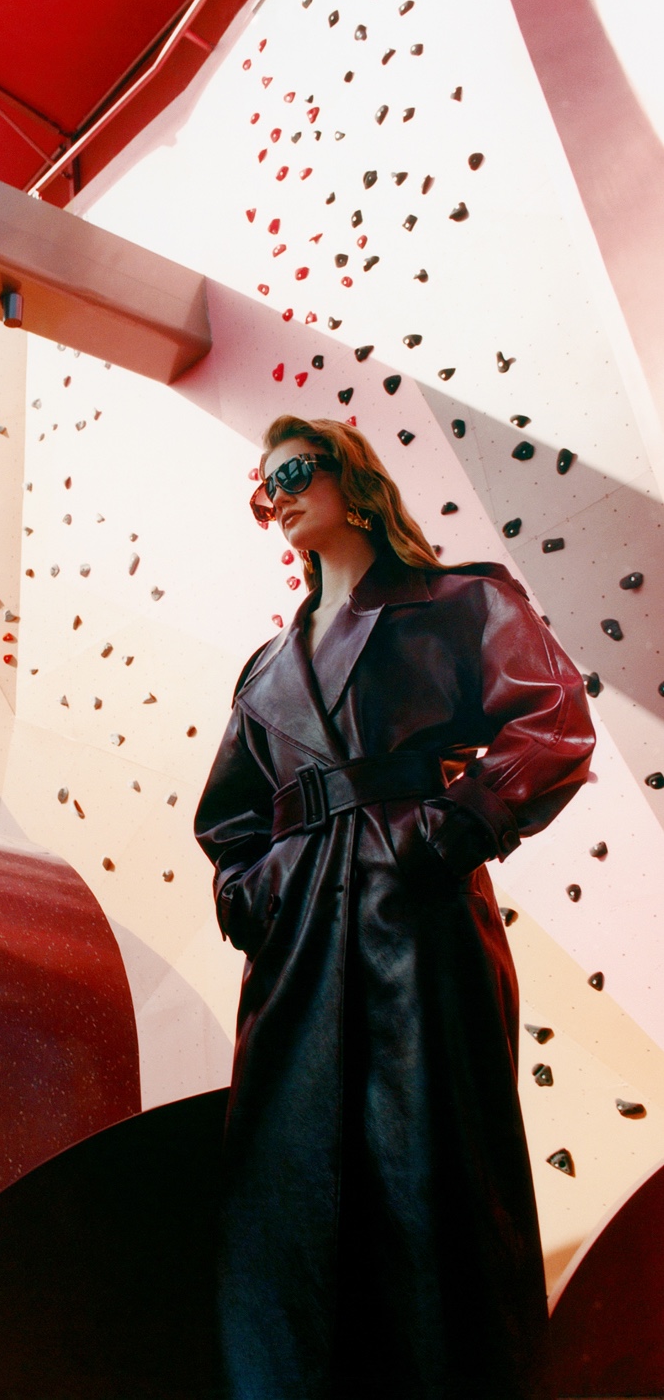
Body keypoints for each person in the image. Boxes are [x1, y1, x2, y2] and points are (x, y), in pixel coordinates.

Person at [194, 415, 595, 1400]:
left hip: (415, 919)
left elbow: (552, 719)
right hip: (295, 940)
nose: (278, 495)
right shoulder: (265, 670)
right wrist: (254, 894)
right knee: (285, 1186)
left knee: (433, 1166)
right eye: (264, 485)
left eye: (295, 471)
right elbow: (229, 816)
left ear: (354, 480)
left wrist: (448, 833)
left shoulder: (461, 602)